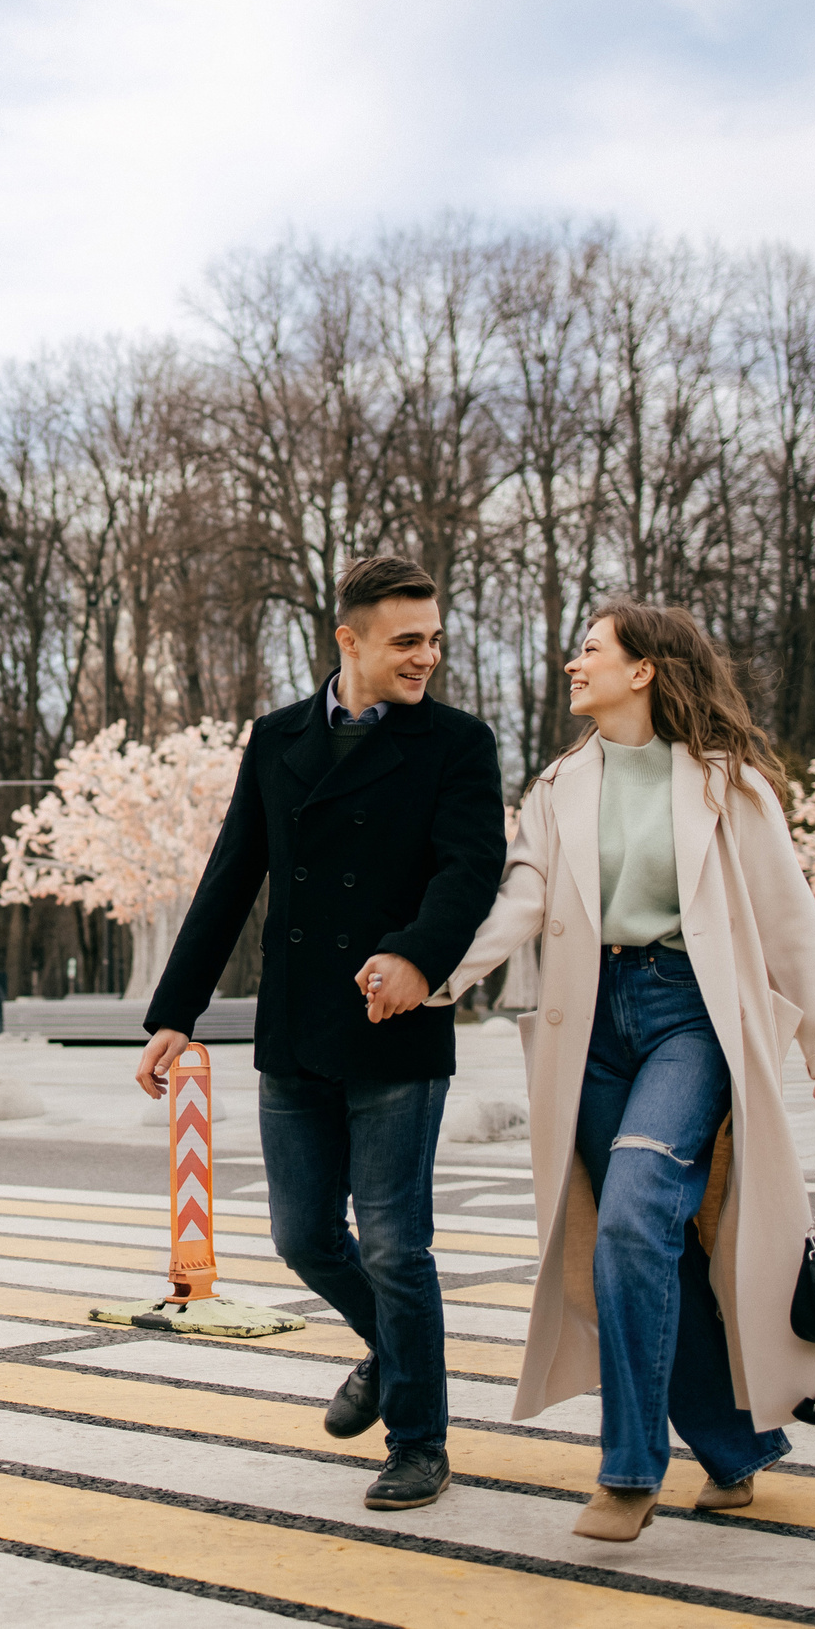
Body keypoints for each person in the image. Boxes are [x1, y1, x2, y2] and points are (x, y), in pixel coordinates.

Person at [430, 600, 815, 1542]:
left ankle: (629, 1468)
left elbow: (789, 920)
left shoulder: (727, 785)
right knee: (645, 1243)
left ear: (646, 670)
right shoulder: (557, 788)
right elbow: (522, 900)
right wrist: (440, 975)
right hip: (587, 1026)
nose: (573, 663)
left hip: (689, 1018)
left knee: (631, 1214)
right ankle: (736, 1449)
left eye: (591, 650)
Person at [140, 555, 505, 1513]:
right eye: (406, 641)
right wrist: (176, 1013)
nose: (427, 656)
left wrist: (418, 956)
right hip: (298, 1027)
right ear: (348, 641)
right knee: (302, 1236)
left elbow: (469, 872)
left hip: (395, 1026)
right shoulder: (277, 740)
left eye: (433, 639)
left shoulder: (458, 744)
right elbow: (231, 878)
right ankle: (394, 1358)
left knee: (394, 1246)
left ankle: (419, 1442)